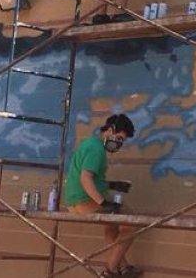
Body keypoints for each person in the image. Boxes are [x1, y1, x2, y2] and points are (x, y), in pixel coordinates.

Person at [63, 113, 140, 278]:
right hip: (83, 201)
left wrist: (112, 184)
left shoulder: (91, 144)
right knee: (131, 223)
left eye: (122, 141)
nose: (119, 143)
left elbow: (92, 179)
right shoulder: (96, 149)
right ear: (111, 130)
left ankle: (124, 267)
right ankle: (110, 272)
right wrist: (104, 203)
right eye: (119, 138)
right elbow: (85, 179)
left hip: (76, 200)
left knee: (112, 226)